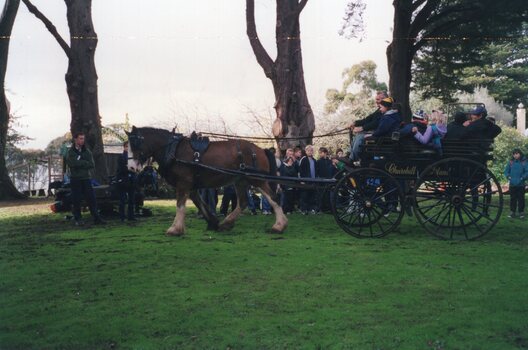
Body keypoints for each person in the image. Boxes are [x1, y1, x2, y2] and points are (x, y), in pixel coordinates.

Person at [65, 132, 104, 225]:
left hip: (86, 178)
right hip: (75, 179)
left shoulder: (87, 151)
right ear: (75, 139)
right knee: (76, 200)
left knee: (91, 199)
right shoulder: (71, 152)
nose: (82, 140)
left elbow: (91, 164)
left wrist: (80, 162)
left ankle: (96, 218)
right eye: (80, 138)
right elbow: (72, 164)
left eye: (83, 138)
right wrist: (84, 162)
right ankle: (78, 219)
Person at [348, 91, 388, 161]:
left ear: (384, 99)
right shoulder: (379, 110)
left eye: (378, 99)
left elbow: (376, 123)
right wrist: (355, 123)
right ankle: (349, 155)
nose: (376, 101)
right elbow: (368, 119)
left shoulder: (384, 111)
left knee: (360, 136)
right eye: (376, 99)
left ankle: (352, 159)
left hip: (380, 135)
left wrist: (362, 128)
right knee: (359, 134)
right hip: (377, 133)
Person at [504, 149, 527, 219]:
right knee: (512, 199)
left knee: (521, 199)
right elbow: (506, 171)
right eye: (514, 154)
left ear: (520, 154)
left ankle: (521, 212)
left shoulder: (524, 162)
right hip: (512, 184)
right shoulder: (510, 162)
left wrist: (522, 178)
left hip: (521, 184)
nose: (515, 155)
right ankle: (512, 212)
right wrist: (508, 177)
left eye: (517, 154)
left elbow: (527, 172)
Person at [116, 141, 136, 222]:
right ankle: (122, 217)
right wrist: (129, 168)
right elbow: (122, 169)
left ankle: (131, 216)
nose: (128, 148)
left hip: (131, 180)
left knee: (132, 199)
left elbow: (136, 168)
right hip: (123, 180)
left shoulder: (133, 157)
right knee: (123, 200)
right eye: (127, 146)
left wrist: (131, 169)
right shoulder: (121, 157)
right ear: (124, 147)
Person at [298, 145, 318, 214]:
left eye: (311, 150)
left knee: (312, 195)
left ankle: (311, 209)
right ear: (306, 151)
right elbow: (300, 170)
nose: (310, 152)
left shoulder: (314, 160)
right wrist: (301, 180)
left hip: (313, 181)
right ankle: (303, 209)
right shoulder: (303, 160)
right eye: (308, 150)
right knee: (304, 196)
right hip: (305, 181)